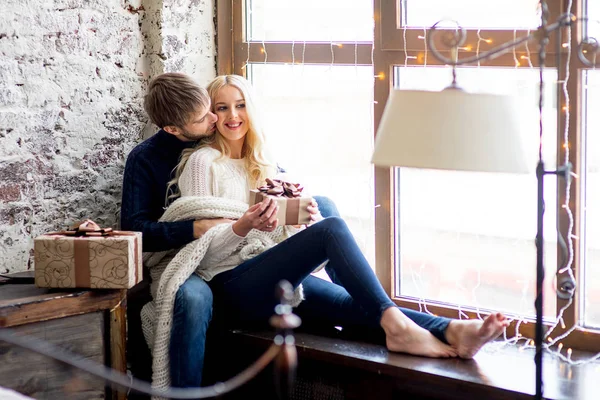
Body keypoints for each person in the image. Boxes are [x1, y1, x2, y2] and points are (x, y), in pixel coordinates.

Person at [141, 74, 510, 394]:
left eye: (239, 105)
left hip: (268, 275)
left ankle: (454, 330)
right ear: (209, 114)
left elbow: (277, 238)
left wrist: (299, 221)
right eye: (220, 108)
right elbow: (203, 253)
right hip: (228, 285)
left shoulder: (266, 164)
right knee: (331, 229)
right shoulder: (203, 162)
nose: (232, 116)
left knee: (350, 294)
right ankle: (406, 329)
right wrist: (244, 225)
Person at [121, 72, 341, 391]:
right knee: (193, 299)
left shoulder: (232, 141)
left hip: (241, 253)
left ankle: (384, 308)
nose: (217, 118)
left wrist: (290, 213)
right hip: (187, 260)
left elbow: (268, 188)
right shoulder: (150, 158)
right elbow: (136, 231)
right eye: (209, 113)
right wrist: (196, 227)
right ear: (173, 128)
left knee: (323, 206)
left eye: (218, 108)